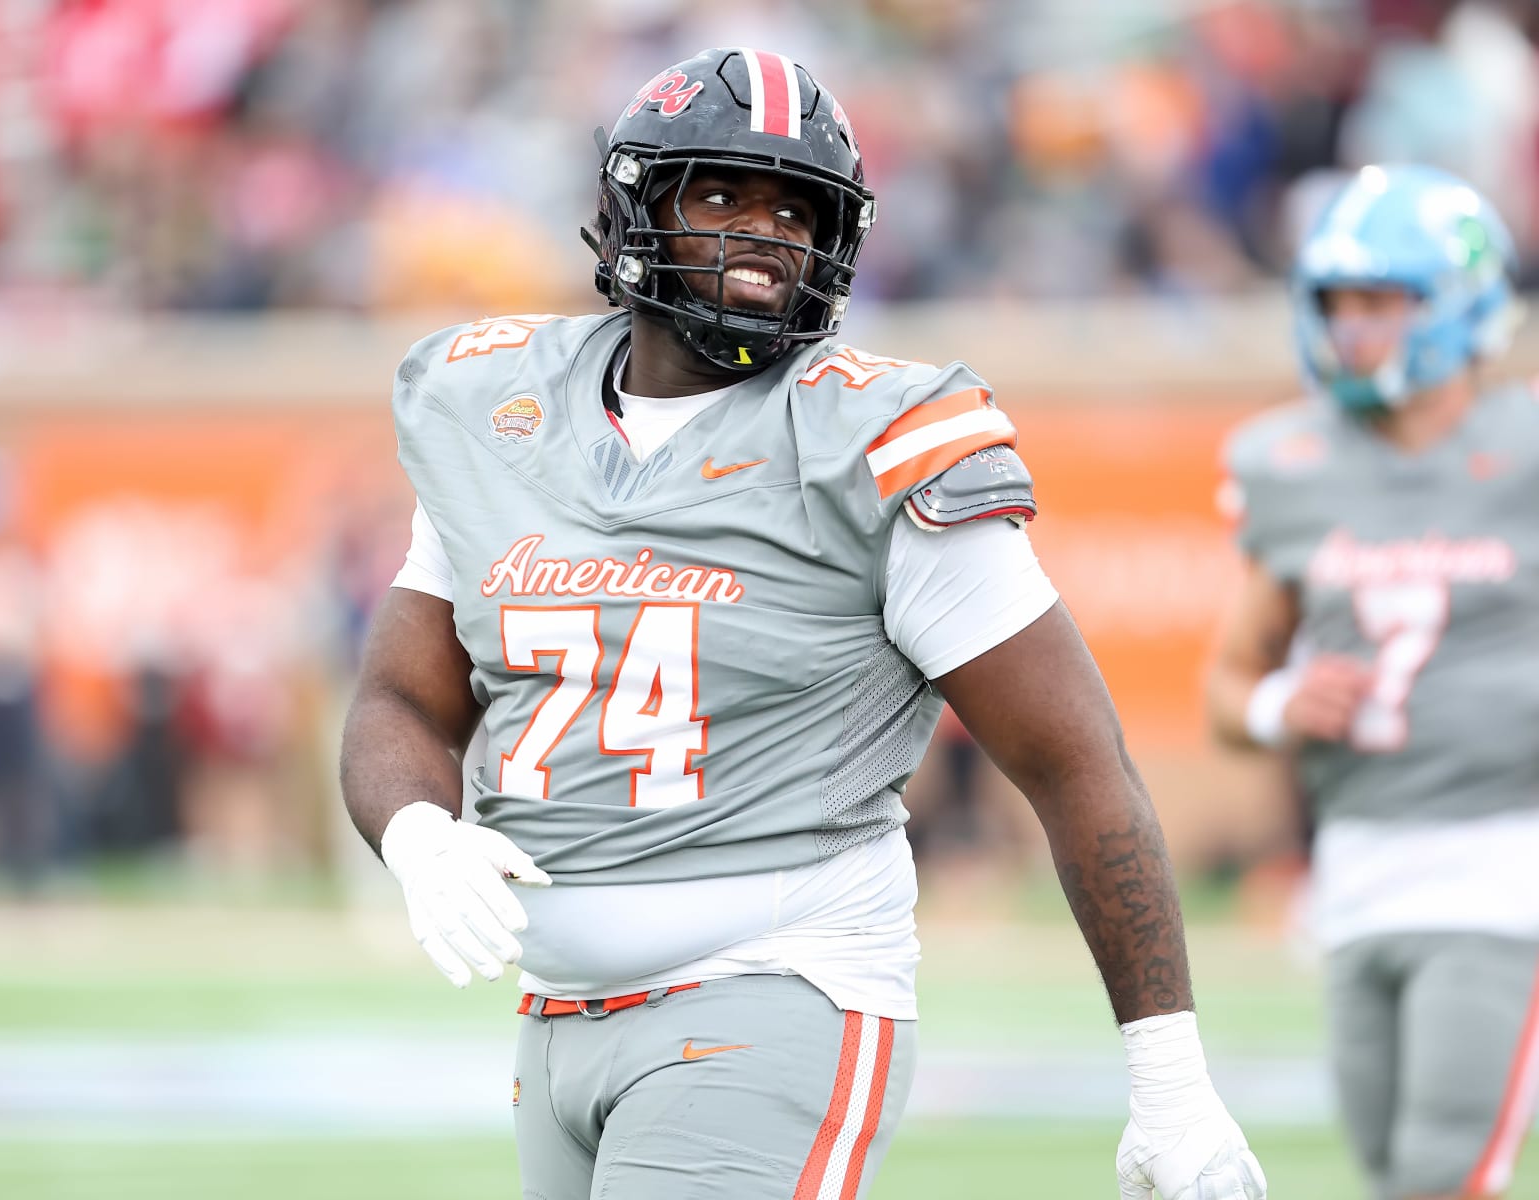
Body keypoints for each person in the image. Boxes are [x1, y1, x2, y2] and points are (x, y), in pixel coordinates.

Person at [344, 48, 1264, 1199]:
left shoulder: (875, 441)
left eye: (797, 208)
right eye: (722, 195)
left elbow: (1077, 762)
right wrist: (418, 833)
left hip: (775, 988)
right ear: (634, 209)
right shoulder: (498, 409)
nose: (766, 232)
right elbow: (401, 697)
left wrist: (1169, 1079)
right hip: (558, 1016)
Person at [1209, 163, 1539, 1200]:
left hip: (1502, 857)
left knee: (1446, 1173)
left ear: (1461, 303)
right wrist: (1277, 706)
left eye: (1384, 300)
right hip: (1356, 868)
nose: (1355, 327)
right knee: (1392, 1173)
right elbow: (1229, 680)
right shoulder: (1290, 460)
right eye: (1338, 302)